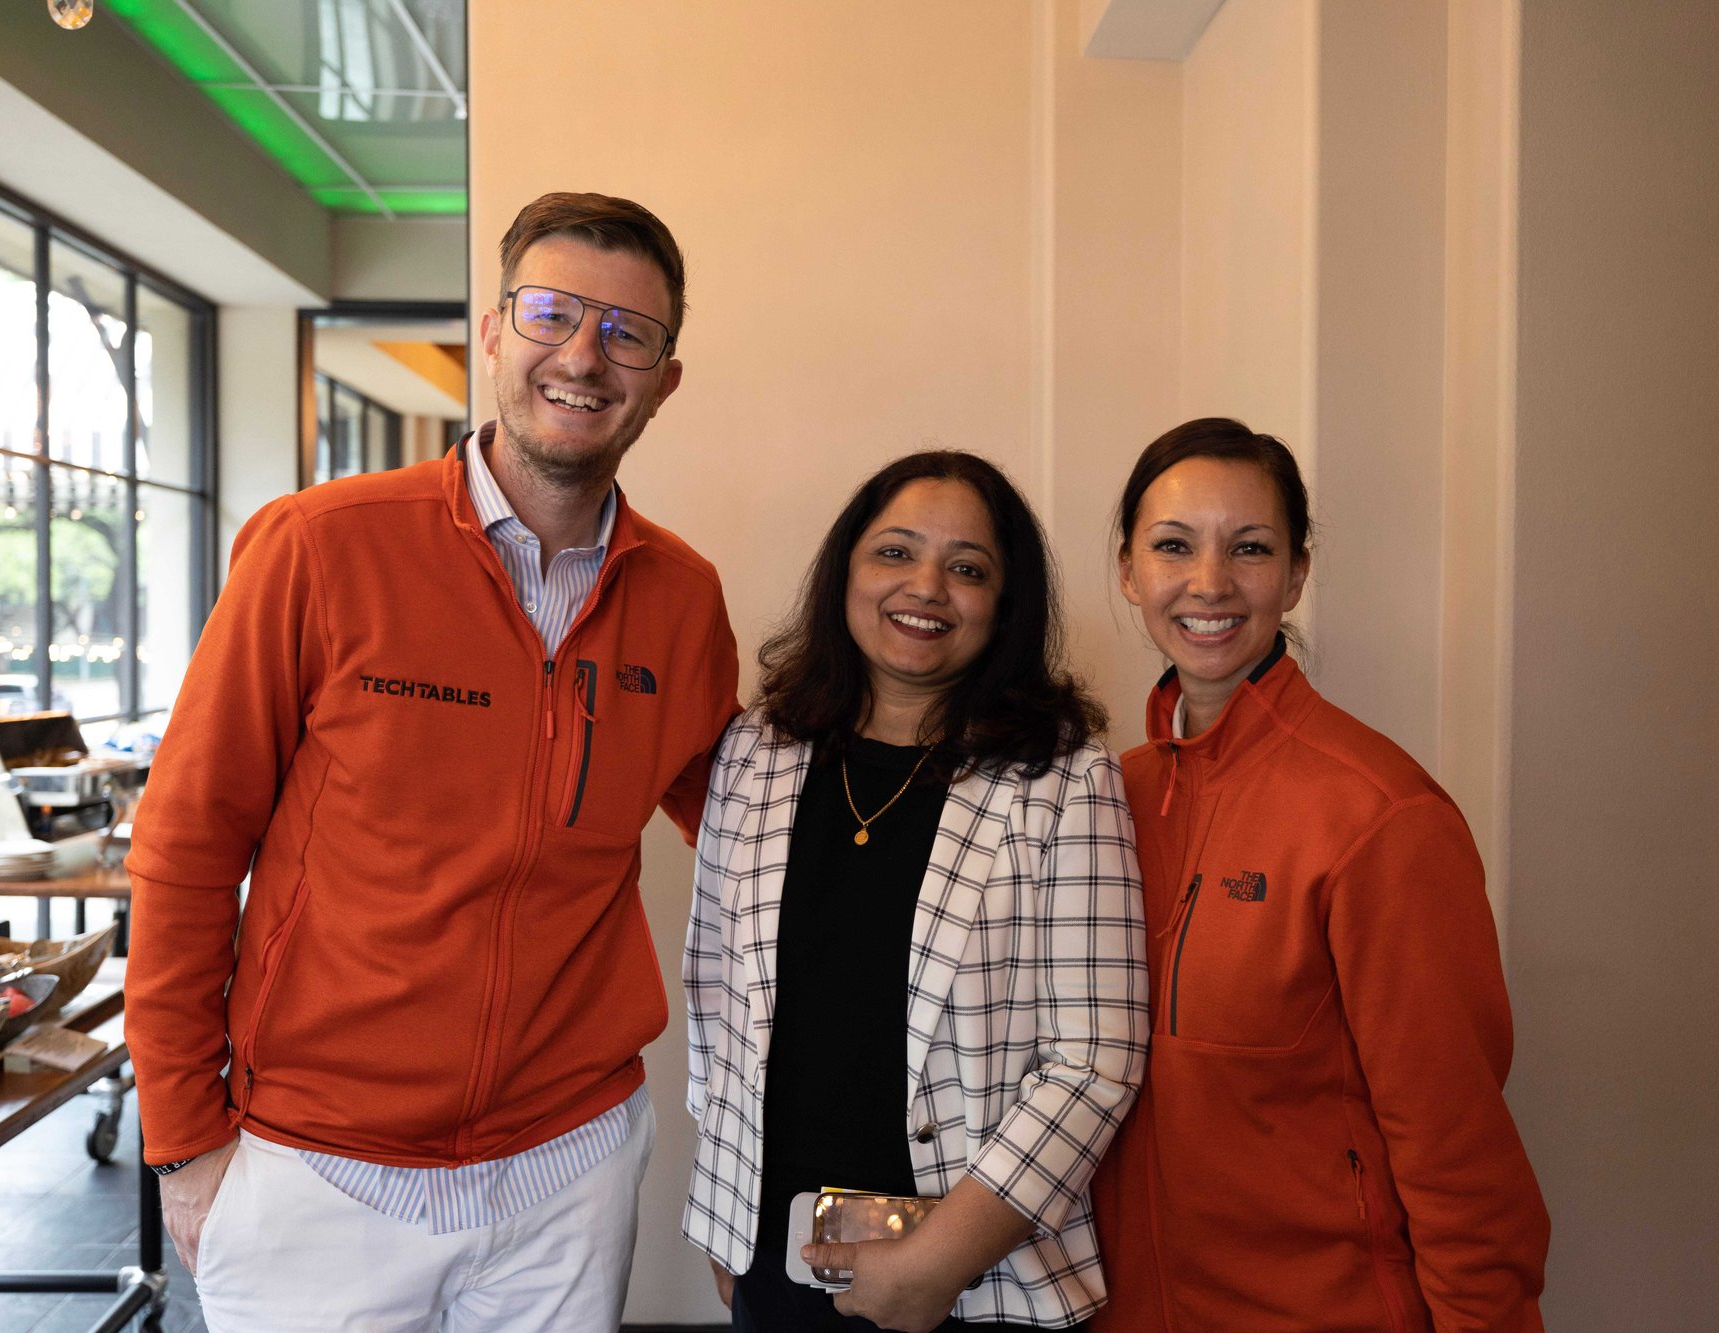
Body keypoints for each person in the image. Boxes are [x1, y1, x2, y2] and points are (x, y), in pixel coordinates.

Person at [123, 192, 740, 1332]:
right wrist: (182, 1139)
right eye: (551, 313)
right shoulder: (317, 547)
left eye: (627, 334)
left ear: (664, 378)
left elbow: (754, 830)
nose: (583, 356)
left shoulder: (682, 597)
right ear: (496, 331)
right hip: (319, 1169)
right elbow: (187, 843)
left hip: (570, 1164)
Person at [1090, 418, 1548, 1331]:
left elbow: (1456, 1149)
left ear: (1296, 572)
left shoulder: (1379, 814)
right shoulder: (1106, 799)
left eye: (1250, 548)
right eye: (1174, 546)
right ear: (1130, 571)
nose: (1210, 583)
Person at [683, 451, 1146, 1332]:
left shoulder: (1065, 780)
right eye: (895, 553)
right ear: (847, 570)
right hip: (775, 1262)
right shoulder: (755, 751)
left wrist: (938, 1264)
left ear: (1004, 606)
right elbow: (712, 993)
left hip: (976, 1278)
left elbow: (1096, 1061)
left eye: (967, 568)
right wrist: (727, 1215)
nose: (926, 586)